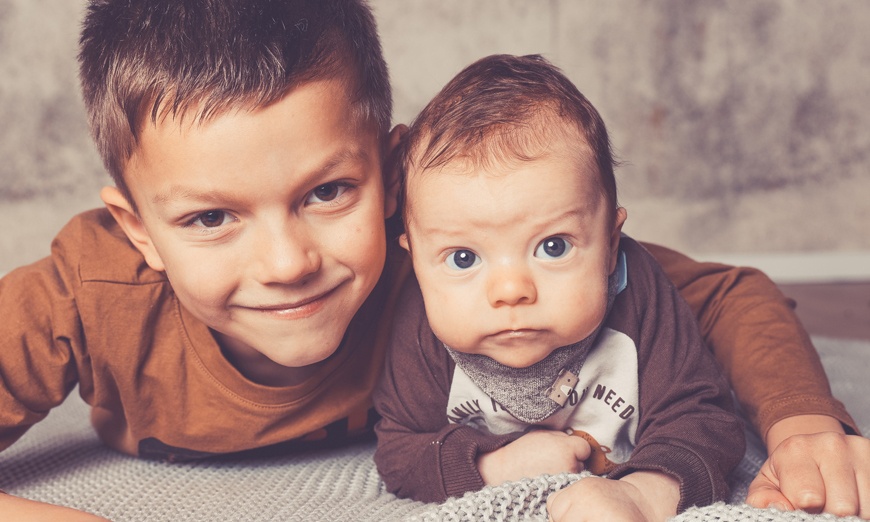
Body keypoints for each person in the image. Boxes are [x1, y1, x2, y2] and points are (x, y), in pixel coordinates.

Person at [0, 1, 865, 519]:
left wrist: (801, 423)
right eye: (209, 217)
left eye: (326, 193)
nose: (286, 262)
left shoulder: (452, 253)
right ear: (139, 227)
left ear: (392, 178)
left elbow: (720, 297)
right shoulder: (88, 292)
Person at [373, 53, 748, 519]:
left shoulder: (641, 294)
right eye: (463, 258)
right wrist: (494, 465)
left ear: (610, 245)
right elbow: (401, 450)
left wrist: (643, 493)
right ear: (416, 259)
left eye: (552, 247)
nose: (510, 290)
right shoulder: (420, 330)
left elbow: (705, 418)